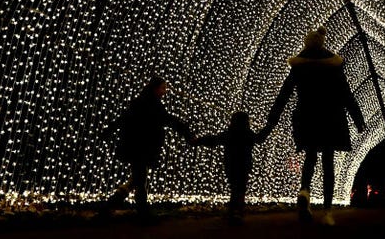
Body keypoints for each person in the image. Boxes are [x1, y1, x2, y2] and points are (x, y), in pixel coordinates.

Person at [258, 26, 365, 226]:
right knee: (328, 163)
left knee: (310, 156)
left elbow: (284, 93)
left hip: (307, 116)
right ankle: (327, 212)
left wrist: (271, 120)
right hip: (331, 118)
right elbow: (346, 94)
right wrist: (358, 120)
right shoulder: (333, 66)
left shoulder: (299, 67)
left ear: (306, 44)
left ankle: (304, 190)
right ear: (322, 44)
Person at [105, 75, 195, 223]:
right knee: (140, 180)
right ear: (155, 88)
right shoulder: (151, 104)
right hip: (141, 146)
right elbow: (170, 120)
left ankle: (113, 205)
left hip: (137, 145)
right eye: (163, 88)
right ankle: (140, 212)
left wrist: (109, 130)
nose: (165, 91)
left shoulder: (143, 102)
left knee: (138, 179)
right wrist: (187, 133)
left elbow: (124, 118)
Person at [193, 110, 265, 224]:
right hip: (243, 165)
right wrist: (269, 127)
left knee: (235, 188)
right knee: (240, 189)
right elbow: (260, 138)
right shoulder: (248, 134)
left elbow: (214, 140)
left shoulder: (230, 133)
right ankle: (237, 212)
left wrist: (198, 141)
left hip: (231, 164)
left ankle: (233, 212)